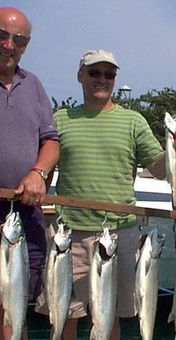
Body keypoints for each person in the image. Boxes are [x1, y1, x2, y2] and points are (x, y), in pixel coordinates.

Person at [36, 49, 176, 340]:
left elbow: (159, 170)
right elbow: (42, 167)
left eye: (109, 74)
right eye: (94, 72)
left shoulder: (133, 121)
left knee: (111, 317)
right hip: (71, 235)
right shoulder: (59, 119)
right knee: (66, 315)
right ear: (80, 76)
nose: (102, 79)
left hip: (122, 233)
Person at [0, 6, 60, 340]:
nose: (9, 44)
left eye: (18, 39)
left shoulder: (33, 84)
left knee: (15, 306)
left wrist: (38, 171)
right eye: (2, 35)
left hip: (25, 211)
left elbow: (50, 141)